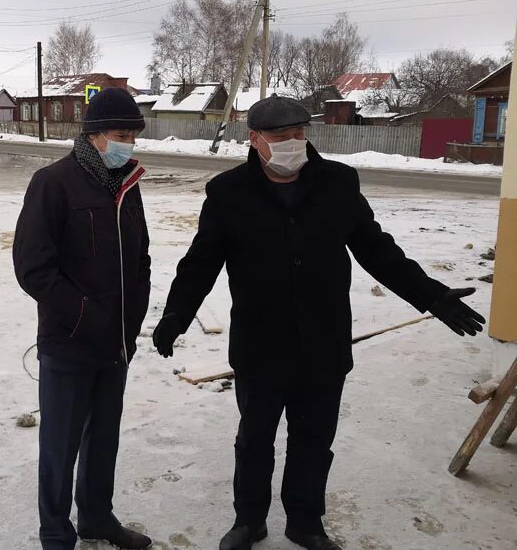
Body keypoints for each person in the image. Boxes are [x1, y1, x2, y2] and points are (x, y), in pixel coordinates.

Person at [152, 94, 485, 550]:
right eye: (279, 135)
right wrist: (176, 315)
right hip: (260, 345)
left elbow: (377, 250)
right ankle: (249, 521)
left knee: (313, 442)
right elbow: (200, 262)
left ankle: (305, 523)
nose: (292, 142)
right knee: (254, 441)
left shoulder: (337, 183)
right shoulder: (228, 193)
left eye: (298, 133)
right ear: (254, 139)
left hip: (323, 346)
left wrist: (433, 297)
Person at [13, 88, 153, 550]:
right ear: (93, 135)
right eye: (119, 134)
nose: (127, 144)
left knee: (103, 441)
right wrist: (86, 317)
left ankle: (96, 517)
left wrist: (131, 321)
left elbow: (141, 259)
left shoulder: (127, 185)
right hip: (69, 342)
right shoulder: (53, 183)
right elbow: (34, 268)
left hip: (115, 346)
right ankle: (56, 533)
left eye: (132, 135)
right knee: (59, 447)